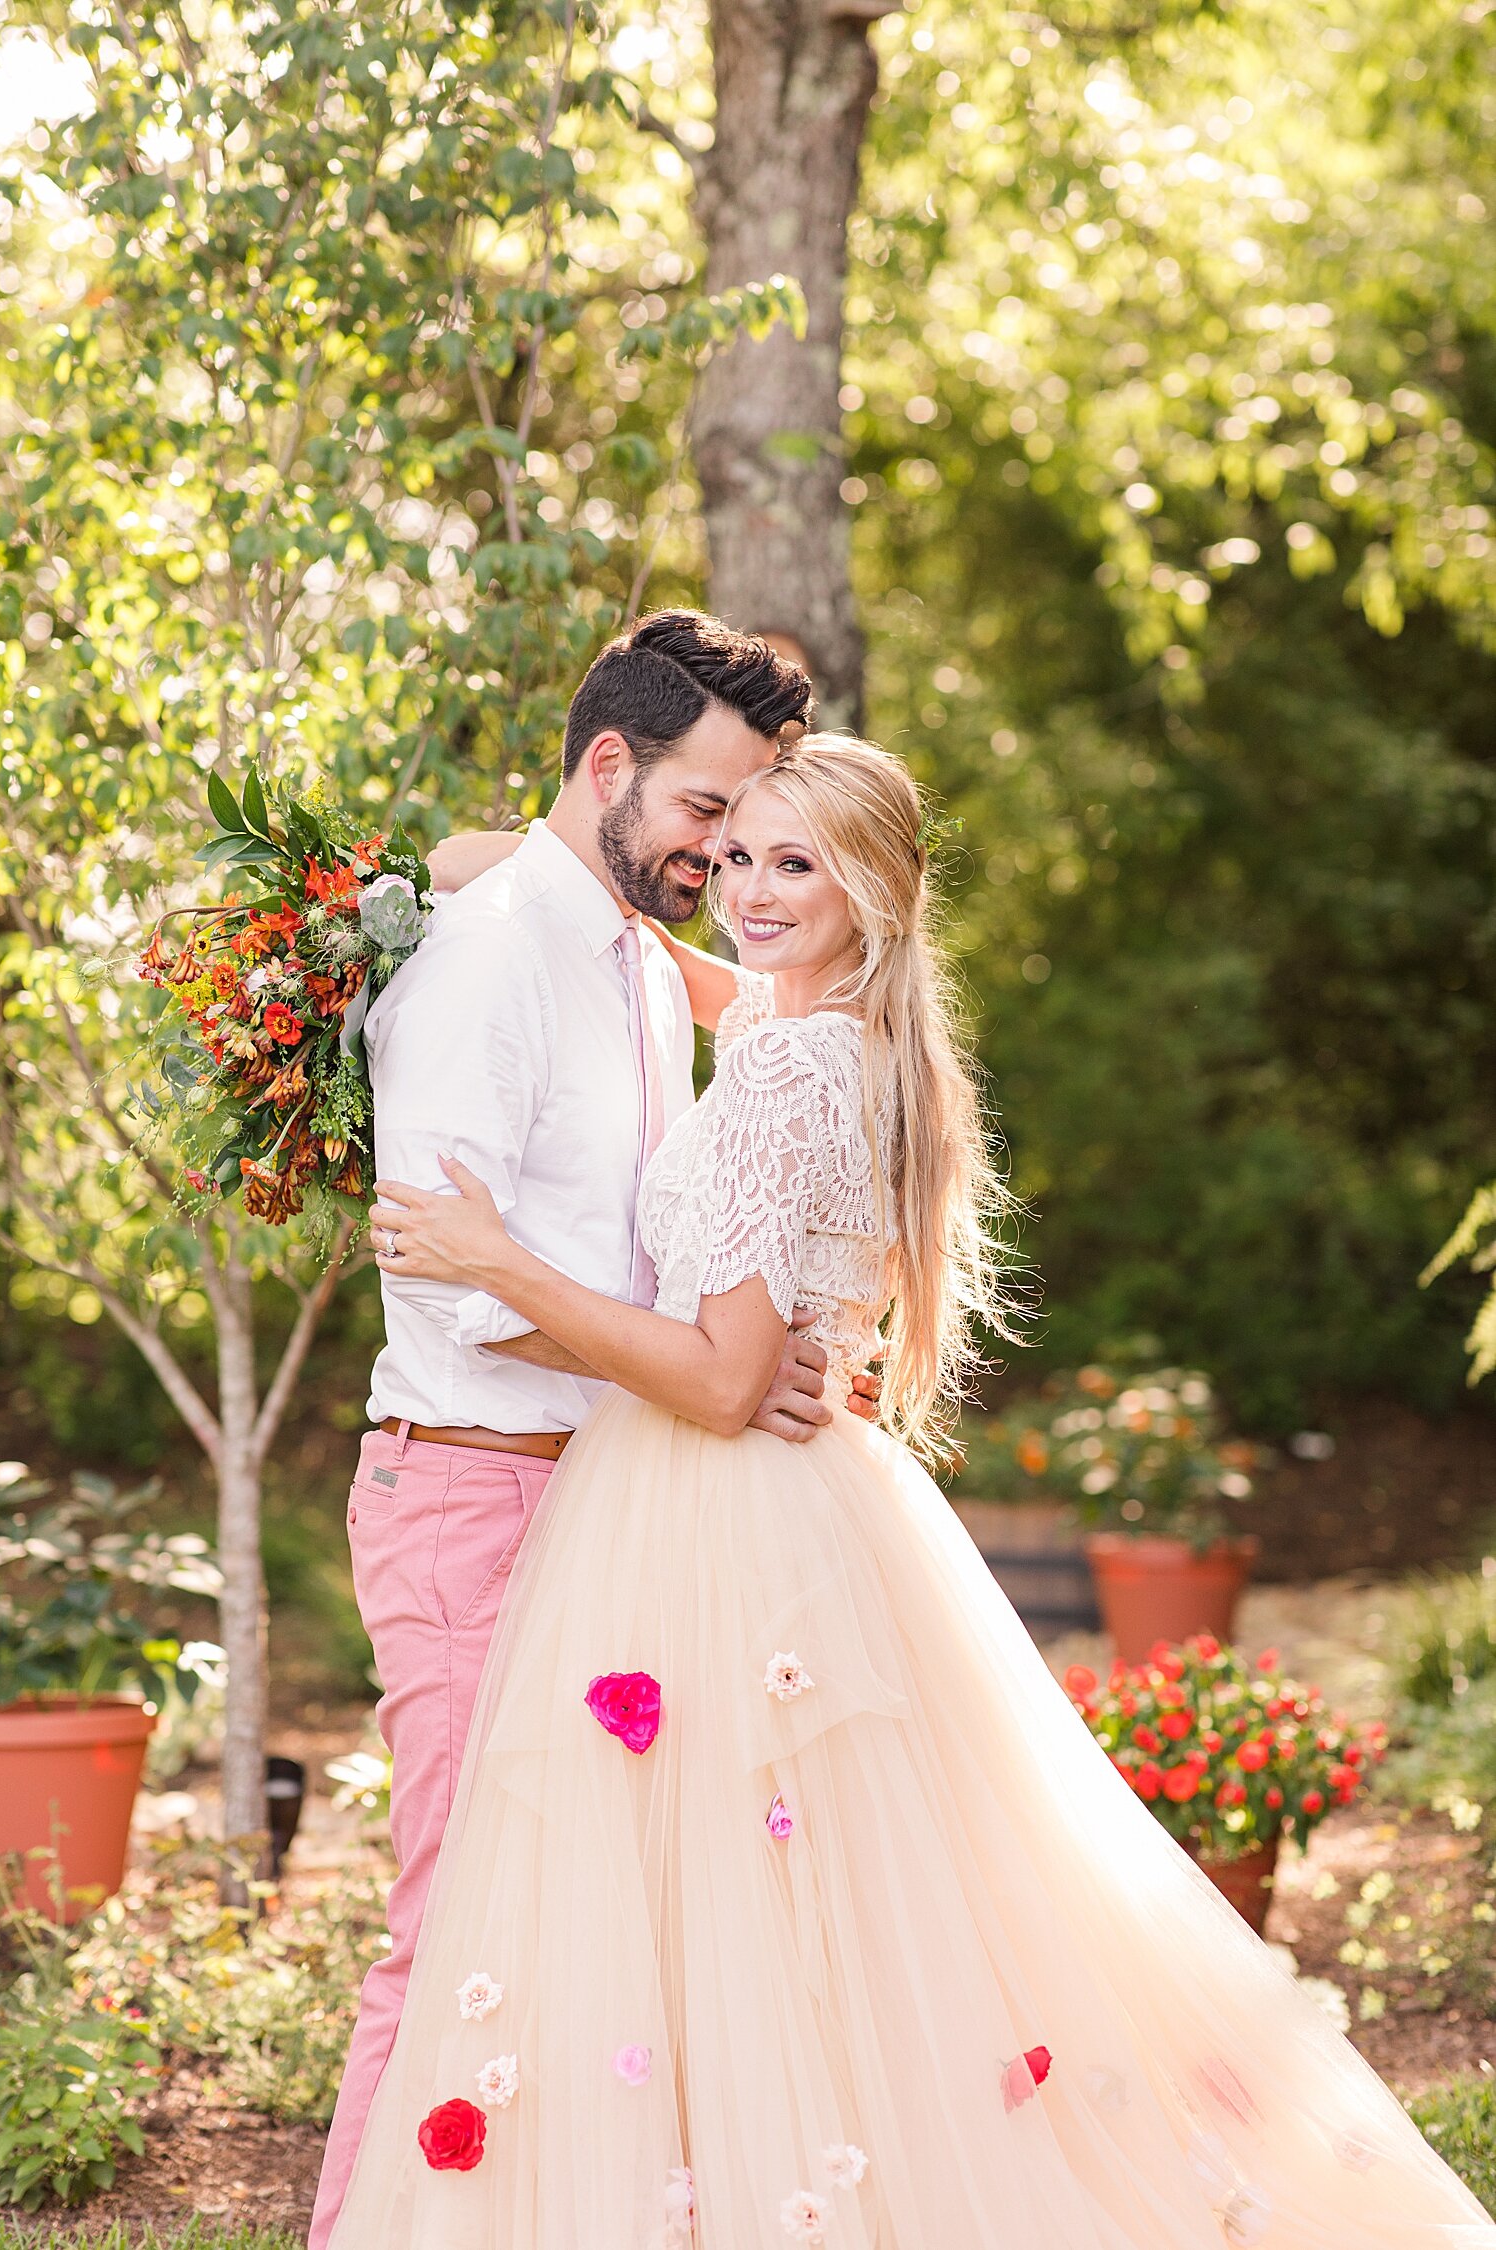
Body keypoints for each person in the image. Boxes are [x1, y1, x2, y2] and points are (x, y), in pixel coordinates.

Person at [334, 734, 1495, 2249]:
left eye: (791, 864)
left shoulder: (795, 1078)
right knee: (798, 1910)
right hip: (771, 1507)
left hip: (712, 1506)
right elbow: (629, 928)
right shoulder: (814, 1025)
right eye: (736, 851)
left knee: (731, 1903)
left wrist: (500, 1265)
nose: (744, 892)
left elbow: (718, 1378)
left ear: (871, 892)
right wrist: (460, 875)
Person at [310, 611, 882, 2250]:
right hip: (475, 1497)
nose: (727, 853)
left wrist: (734, 1355)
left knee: (597, 1939)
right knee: (457, 1918)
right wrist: (705, 1371)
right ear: (614, 766)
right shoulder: (492, 957)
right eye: (710, 811)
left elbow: (653, 1237)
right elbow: (462, 1284)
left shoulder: (631, 946)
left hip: (612, 1510)